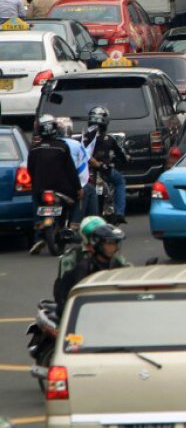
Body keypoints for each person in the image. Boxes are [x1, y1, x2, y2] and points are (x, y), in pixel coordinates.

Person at [27, 114, 84, 255]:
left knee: (35, 202)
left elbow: (30, 169)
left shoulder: (34, 149)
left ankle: (38, 230)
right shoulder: (62, 147)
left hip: (40, 190)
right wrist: (78, 189)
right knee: (79, 199)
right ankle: (72, 227)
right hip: (62, 190)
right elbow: (71, 171)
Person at [53, 219, 129, 310]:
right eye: (109, 243)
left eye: (115, 243)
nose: (113, 247)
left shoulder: (118, 262)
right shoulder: (80, 264)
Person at [80, 107, 128, 225]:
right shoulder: (109, 139)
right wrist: (126, 158)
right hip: (104, 170)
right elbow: (121, 154)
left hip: (86, 173)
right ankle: (120, 213)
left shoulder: (83, 138)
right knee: (120, 181)